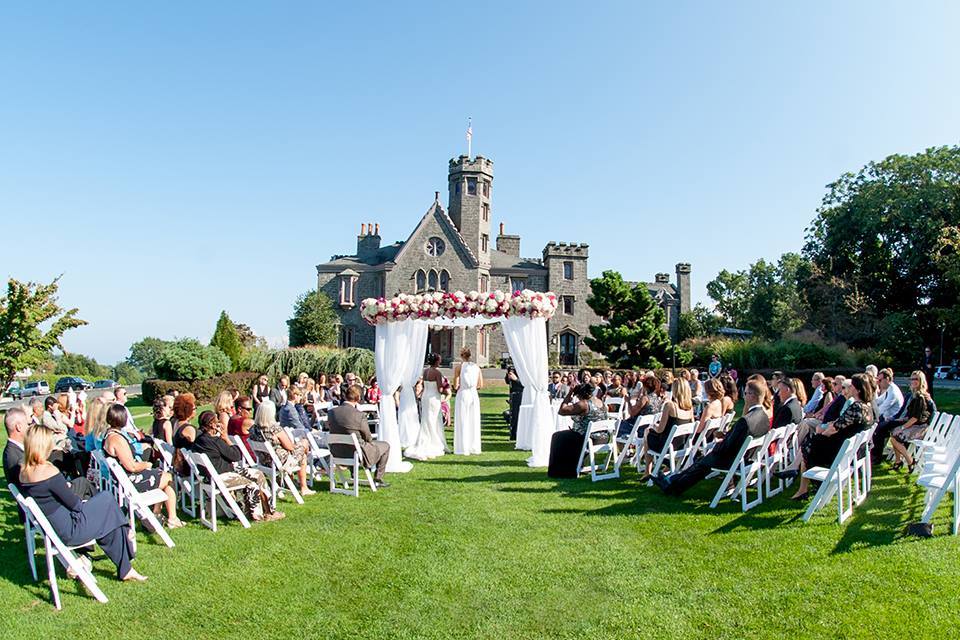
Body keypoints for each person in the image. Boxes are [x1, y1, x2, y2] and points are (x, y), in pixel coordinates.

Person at [18, 425, 147, 581]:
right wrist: (71, 493)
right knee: (106, 498)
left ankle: (126, 567)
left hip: (56, 527)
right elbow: (76, 506)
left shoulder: (24, 473)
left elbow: (49, 497)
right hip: (71, 530)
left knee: (107, 515)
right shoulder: (48, 471)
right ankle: (126, 531)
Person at [652, 379, 770, 496]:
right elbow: (739, 438)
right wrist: (724, 437)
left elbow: (729, 446)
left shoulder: (745, 421)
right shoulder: (764, 417)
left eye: (746, 393)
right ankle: (671, 481)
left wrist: (717, 446)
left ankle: (673, 487)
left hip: (732, 459)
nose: (744, 396)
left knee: (703, 464)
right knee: (701, 462)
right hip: (748, 458)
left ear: (752, 396)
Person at [784, 373, 875, 500]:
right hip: (853, 450)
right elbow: (843, 423)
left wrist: (823, 433)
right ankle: (803, 486)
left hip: (841, 451)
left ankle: (803, 489)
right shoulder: (867, 407)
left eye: (852, 386)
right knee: (812, 441)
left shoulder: (856, 407)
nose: (850, 388)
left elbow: (834, 428)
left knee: (809, 443)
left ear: (858, 389)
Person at [191, 410, 283, 521]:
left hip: (212, 475)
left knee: (258, 474)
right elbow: (236, 456)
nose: (220, 423)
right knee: (252, 483)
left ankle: (268, 510)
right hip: (222, 475)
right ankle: (257, 515)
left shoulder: (199, 440)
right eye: (217, 421)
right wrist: (225, 438)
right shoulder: (214, 441)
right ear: (212, 424)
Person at [102, 404, 183, 528]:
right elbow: (132, 467)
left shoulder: (109, 434)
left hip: (125, 478)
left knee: (163, 476)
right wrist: (147, 464)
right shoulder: (116, 439)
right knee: (168, 477)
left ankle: (160, 515)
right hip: (132, 480)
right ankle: (166, 517)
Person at [328, 385, 391, 487]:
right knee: (385, 446)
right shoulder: (359, 415)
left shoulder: (331, 412)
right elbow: (368, 437)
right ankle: (378, 479)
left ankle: (354, 474)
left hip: (336, 451)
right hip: (356, 452)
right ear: (358, 398)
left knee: (354, 444)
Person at [249, 400, 315, 495]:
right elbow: (290, 447)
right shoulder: (274, 429)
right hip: (280, 462)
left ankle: (291, 481)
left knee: (301, 448)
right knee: (304, 447)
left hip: (264, 461)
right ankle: (304, 487)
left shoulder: (253, 429)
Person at [548, 383, 607, 478]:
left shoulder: (583, 404)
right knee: (566, 435)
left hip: (588, 439)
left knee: (557, 436)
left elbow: (562, 411)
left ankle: (561, 471)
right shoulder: (599, 401)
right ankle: (576, 465)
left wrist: (569, 393)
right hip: (602, 437)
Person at [641, 380, 695, 480]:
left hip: (665, 447)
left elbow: (660, 430)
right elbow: (691, 426)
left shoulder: (670, 405)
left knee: (647, 431)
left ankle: (647, 471)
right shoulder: (690, 407)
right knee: (650, 432)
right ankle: (667, 467)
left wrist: (653, 426)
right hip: (681, 446)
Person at [888, 371, 935, 472]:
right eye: (912, 379)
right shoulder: (915, 395)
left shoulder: (920, 397)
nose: (913, 381)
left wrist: (902, 428)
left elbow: (915, 418)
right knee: (893, 433)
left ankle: (910, 461)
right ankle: (898, 461)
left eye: (916, 379)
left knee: (895, 437)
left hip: (921, 428)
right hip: (916, 425)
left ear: (921, 381)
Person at [406, 353, 446, 460]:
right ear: (436, 361)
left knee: (426, 419)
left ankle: (426, 438)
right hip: (433, 398)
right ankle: (435, 441)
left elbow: (424, 384)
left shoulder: (425, 371)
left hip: (425, 396)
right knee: (434, 419)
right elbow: (439, 389)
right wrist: (446, 387)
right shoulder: (437, 373)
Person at [453, 347, 483, 456]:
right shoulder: (476, 367)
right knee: (473, 419)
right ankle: (473, 446)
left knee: (462, 419)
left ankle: (462, 447)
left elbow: (455, 385)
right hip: (474, 394)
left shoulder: (459, 367)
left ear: (461, 356)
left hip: (463, 394)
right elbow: (480, 385)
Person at [505, 367, 523, 440]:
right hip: (513, 395)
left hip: (520, 395)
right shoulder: (512, 370)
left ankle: (517, 434)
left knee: (517, 416)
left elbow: (524, 385)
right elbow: (507, 381)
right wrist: (508, 374)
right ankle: (513, 435)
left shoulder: (523, 371)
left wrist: (516, 379)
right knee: (513, 416)